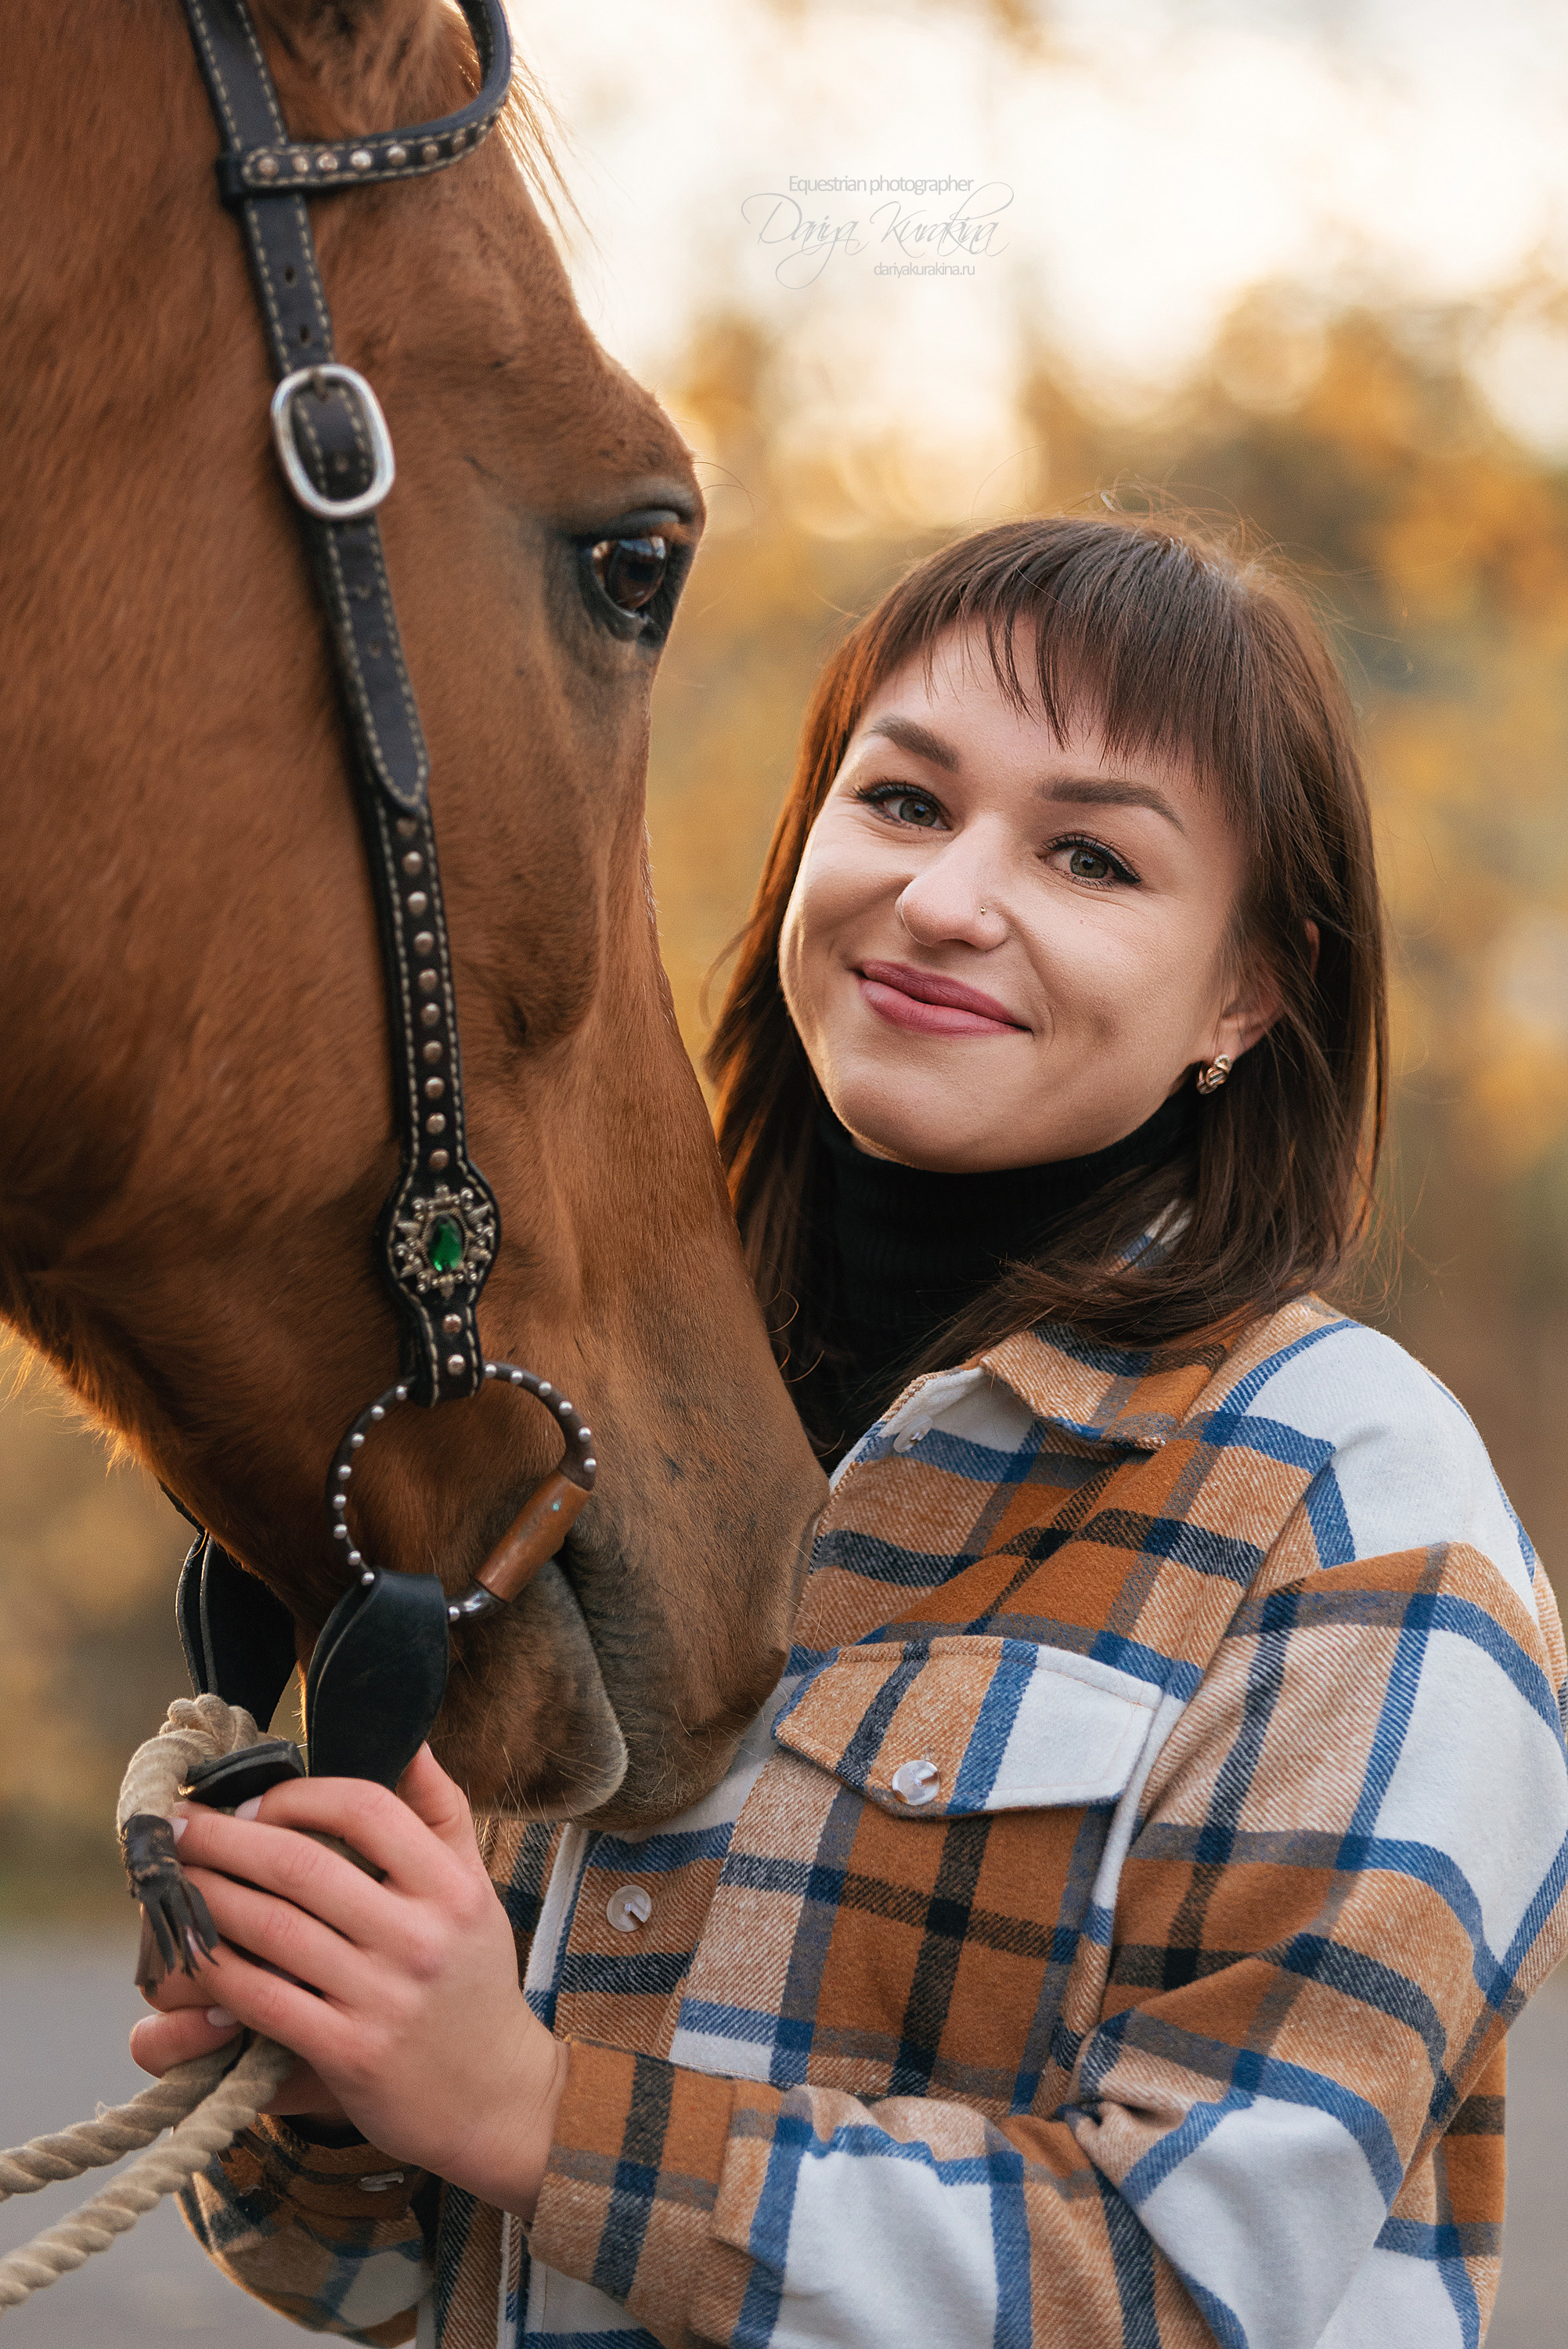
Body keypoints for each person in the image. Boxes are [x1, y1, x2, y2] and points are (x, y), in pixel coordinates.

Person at [135, 515, 1568, 2348]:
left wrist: (528, 2108)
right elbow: (372, 2273)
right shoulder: (573, 1425)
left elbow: (1187, 2291)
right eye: (903, 803)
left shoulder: (1353, 1504)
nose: (955, 898)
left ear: (1250, 990)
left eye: (1089, 856)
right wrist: (334, 2069)